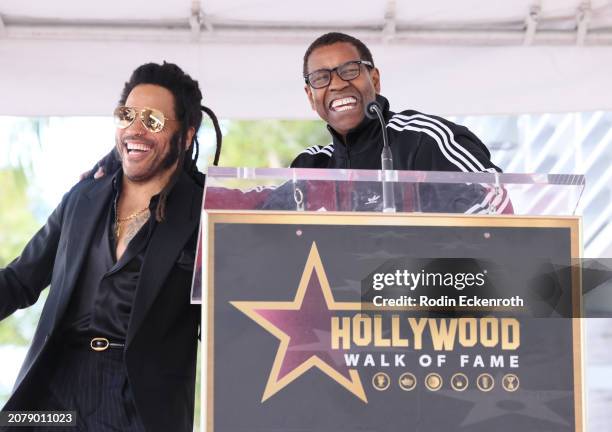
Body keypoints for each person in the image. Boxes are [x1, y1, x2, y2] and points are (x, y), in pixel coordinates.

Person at [0, 62, 221, 431]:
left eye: (152, 120)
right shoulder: (83, 198)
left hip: (141, 408)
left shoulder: (206, 214)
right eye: (127, 115)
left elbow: (230, 321)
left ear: (185, 137)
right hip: (52, 398)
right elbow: (20, 281)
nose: (135, 128)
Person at [281, 32, 510, 213]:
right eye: (321, 78)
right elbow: (257, 213)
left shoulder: (424, 139)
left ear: (375, 80)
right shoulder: (311, 165)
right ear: (311, 96)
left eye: (349, 71)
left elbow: (495, 199)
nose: (337, 84)